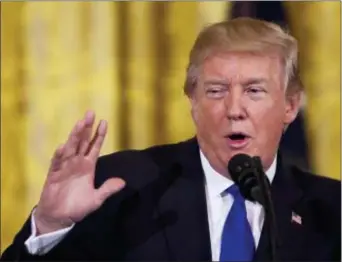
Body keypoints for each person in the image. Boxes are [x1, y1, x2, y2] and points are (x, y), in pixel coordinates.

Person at [1, 17, 340, 261]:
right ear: (193, 101)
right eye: (216, 91)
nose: (234, 109)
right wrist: (49, 226)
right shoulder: (120, 188)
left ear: (290, 106)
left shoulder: (331, 211)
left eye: (254, 91)